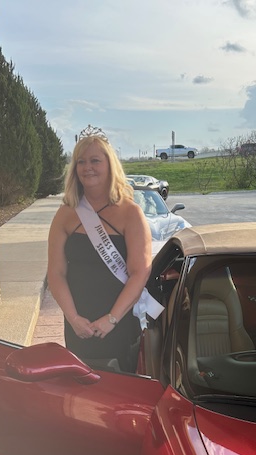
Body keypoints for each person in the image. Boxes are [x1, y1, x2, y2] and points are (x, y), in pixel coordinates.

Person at [47, 126, 152, 371]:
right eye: (81, 162)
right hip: (78, 324)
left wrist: (111, 319)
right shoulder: (65, 214)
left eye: (95, 160)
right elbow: (56, 273)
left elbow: (140, 272)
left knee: (120, 386)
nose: (87, 167)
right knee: (80, 383)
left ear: (109, 165)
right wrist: (73, 318)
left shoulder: (130, 213)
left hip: (119, 322)